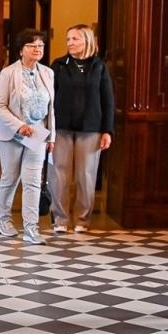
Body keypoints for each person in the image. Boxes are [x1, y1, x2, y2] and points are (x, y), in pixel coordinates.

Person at [0, 29, 55, 245]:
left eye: (41, 46)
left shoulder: (48, 73)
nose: (37, 49)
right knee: (10, 178)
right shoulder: (8, 73)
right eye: (32, 45)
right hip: (9, 133)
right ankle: (3, 221)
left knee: (33, 181)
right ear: (21, 50)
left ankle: (31, 229)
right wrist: (19, 126)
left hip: (37, 133)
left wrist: (51, 136)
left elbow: (52, 108)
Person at [49, 25, 113, 234]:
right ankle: (60, 219)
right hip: (61, 127)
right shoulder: (58, 65)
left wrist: (107, 131)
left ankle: (82, 220)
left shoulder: (100, 67)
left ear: (87, 40)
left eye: (75, 39)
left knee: (86, 175)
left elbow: (108, 100)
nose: (70, 43)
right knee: (59, 174)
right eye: (68, 39)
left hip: (91, 128)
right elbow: (49, 99)